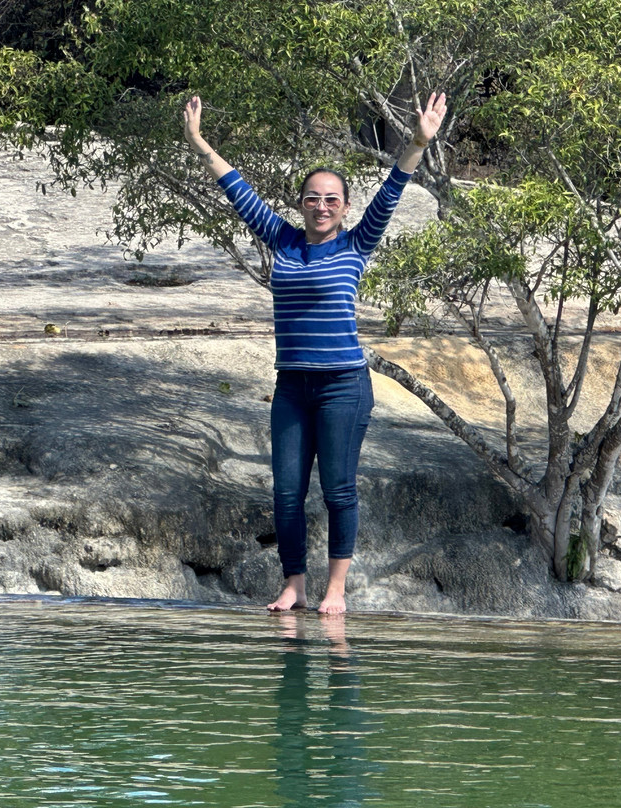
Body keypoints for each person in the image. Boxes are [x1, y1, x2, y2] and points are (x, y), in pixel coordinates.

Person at [183, 91, 448, 614]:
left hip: (343, 386)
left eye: (331, 198)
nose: (321, 205)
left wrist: (417, 141)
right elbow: (238, 190)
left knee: (338, 491)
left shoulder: (356, 242)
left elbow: (394, 187)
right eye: (312, 197)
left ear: (344, 207)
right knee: (285, 493)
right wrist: (198, 143)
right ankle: (294, 584)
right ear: (300, 203)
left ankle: (335, 591)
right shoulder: (282, 241)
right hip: (292, 386)